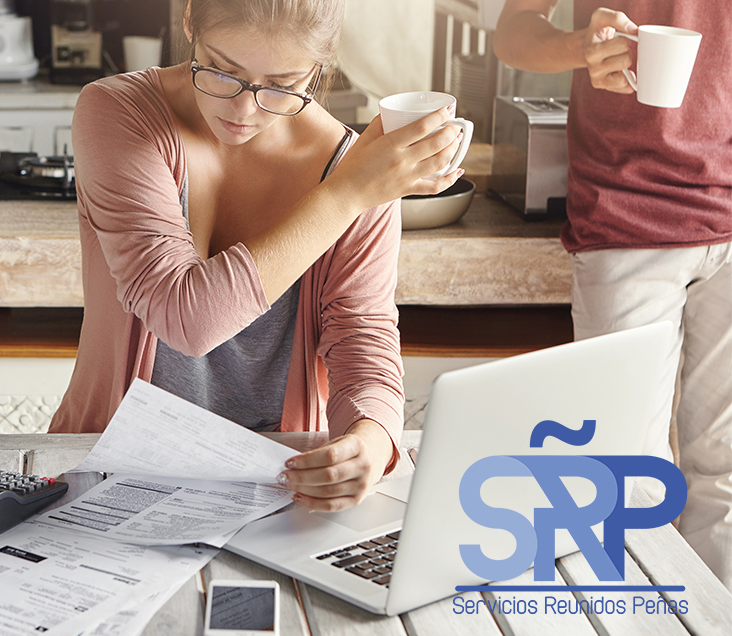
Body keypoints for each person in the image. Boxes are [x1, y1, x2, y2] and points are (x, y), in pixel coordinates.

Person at [49, 0, 465, 512]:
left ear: (319, 66)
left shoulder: (352, 166)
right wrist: (345, 195)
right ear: (188, 25)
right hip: (114, 470)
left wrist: (373, 436)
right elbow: (186, 318)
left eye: (282, 83)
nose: (242, 110)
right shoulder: (118, 111)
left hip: (279, 480)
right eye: (222, 71)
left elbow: (362, 332)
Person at [494, 1, 732, 589]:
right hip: (626, 216)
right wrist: (581, 47)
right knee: (625, 482)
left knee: (727, 476)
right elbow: (512, 32)